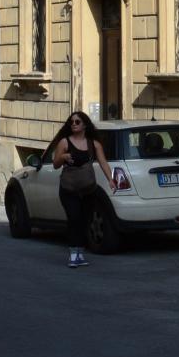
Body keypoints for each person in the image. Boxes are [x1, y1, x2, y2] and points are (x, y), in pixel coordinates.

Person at [49, 111, 114, 269]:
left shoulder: (94, 144)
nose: (74, 124)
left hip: (88, 189)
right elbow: (55, 164)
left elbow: (103, 162)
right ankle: (73, 254)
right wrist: (63, 157)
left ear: (85, 124)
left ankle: (79, 253)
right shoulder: (64, 142)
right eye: (71, 122)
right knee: (74, 219)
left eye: (77, 122)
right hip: (68, 189)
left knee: (84, 220)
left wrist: (110, 180)